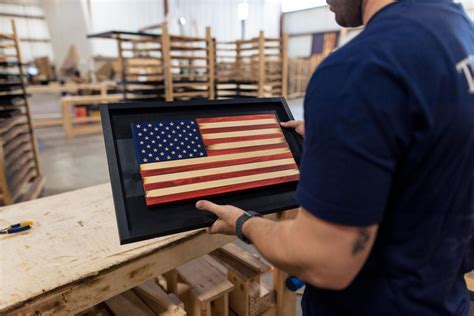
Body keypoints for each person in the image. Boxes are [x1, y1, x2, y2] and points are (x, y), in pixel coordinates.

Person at [196, 0, 474, 314]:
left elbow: (323, 261)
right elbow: (434, 145)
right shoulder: (460, 31)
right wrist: (350, 138)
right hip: (445, 299)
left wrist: (244, 222)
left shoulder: (361, 67)